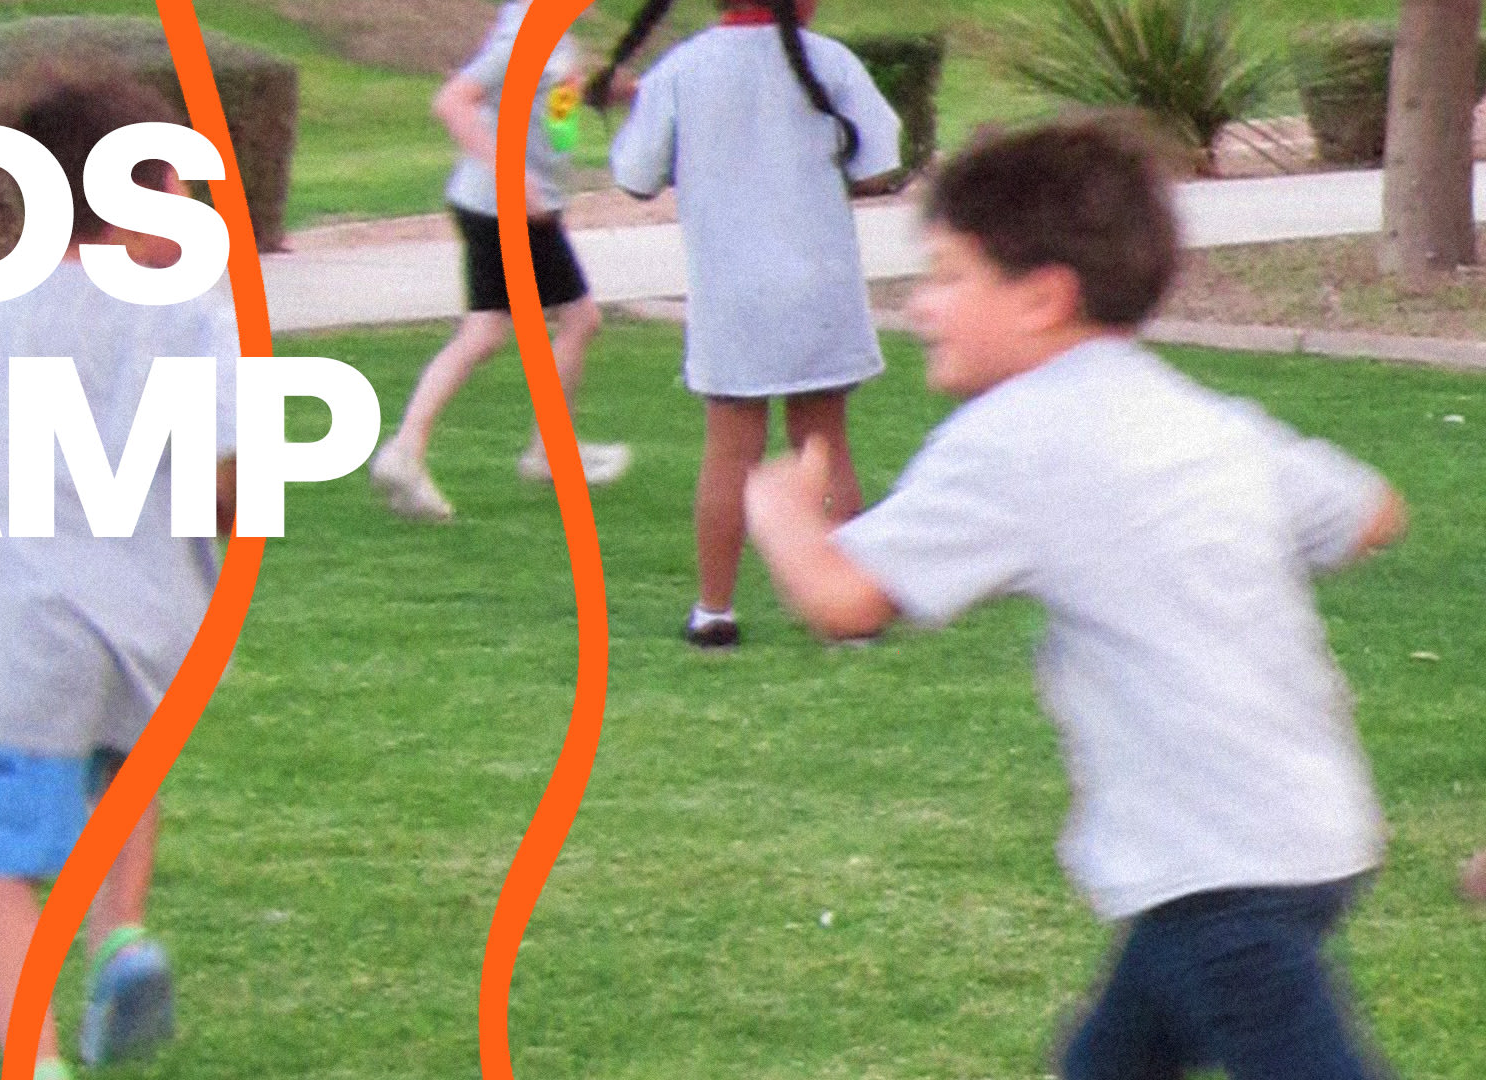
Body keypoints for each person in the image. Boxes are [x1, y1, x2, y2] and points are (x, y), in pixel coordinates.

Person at [747, 117, 1408, 1079]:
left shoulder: (1016, 437)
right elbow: (1370, 512)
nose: (918, 307)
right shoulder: (1193, 416)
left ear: (1042, 299)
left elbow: (845, 598)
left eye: (946, 276)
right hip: (1306, 831)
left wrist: (781, 512)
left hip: (1217, 859)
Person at [0, 62, 240, 1080]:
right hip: (160, 623)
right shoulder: (194, 311)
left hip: (27, 625)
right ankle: (120, 938)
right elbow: (228, 475)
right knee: (121, 775)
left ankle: (33, 1058)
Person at [596, 0, 902, 648]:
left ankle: (715, 610)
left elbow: (635, 176)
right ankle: (846, 611)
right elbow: (878, 162)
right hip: (820, 284)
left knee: (731, 451)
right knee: (823, 442)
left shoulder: (682, 69)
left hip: (730, 292)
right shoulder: (830, 62)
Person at [369, 0, 631, 523]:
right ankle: (546, 452)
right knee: (578, 320)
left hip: (499, 205)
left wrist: (597, 93)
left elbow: (550, 119)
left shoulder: (555, 36)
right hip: (505, 208)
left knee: (486, 334)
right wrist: (515, 177)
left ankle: (406, 453)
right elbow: (452, 102)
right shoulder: (526, 36)